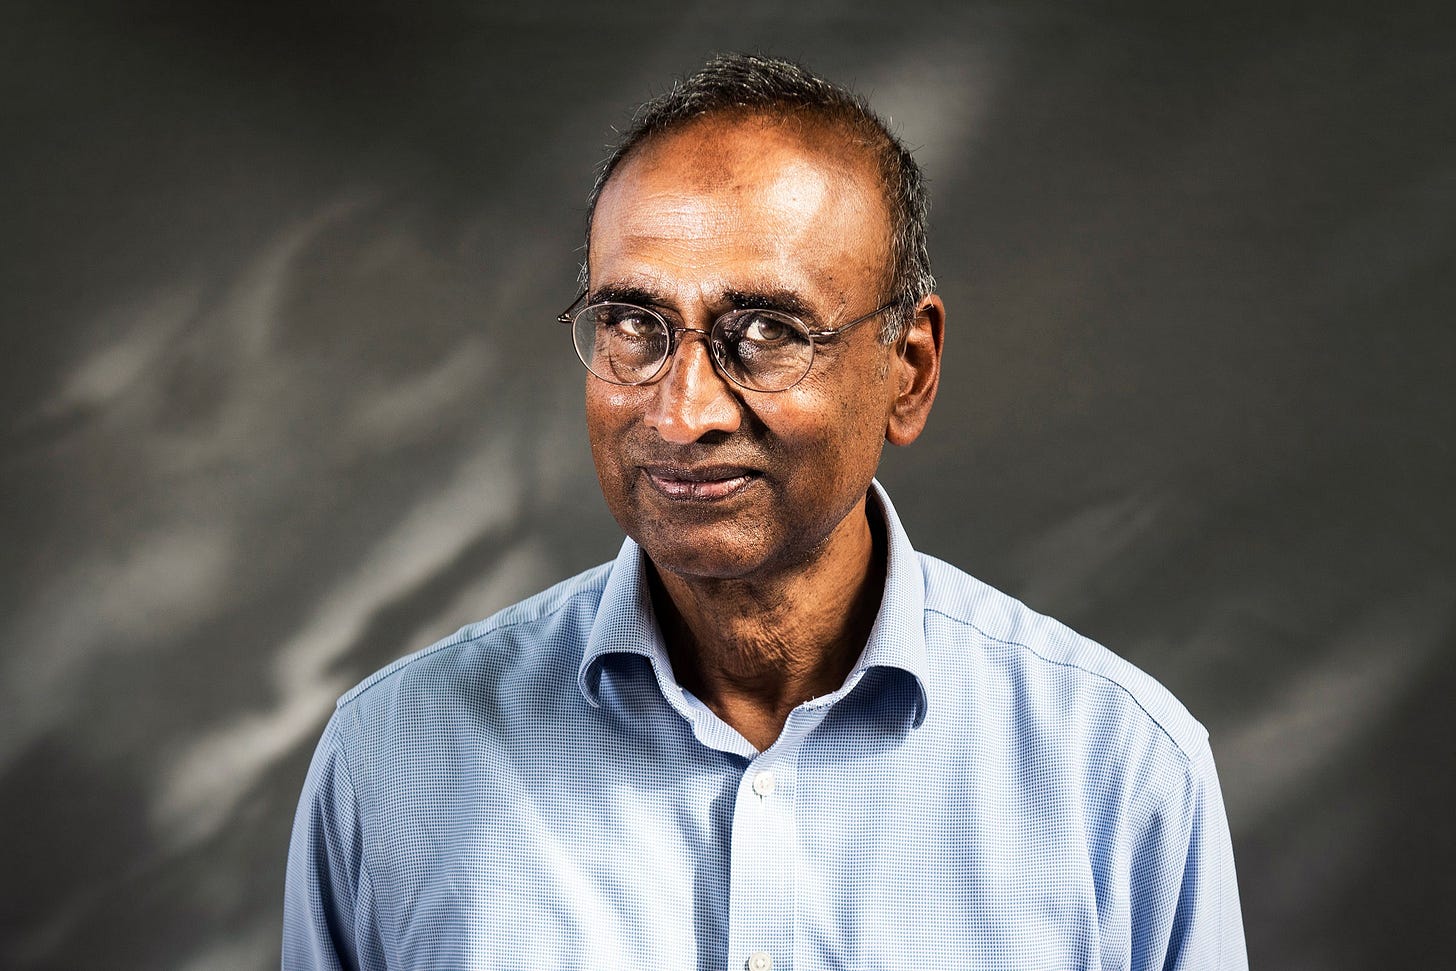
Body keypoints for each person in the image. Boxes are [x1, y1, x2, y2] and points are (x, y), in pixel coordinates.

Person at [283, 53, 1247, 970]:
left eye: (767, 332)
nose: (684, 409)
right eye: (632, 324)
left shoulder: (1114, 774)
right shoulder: (397, 759)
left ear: (907, 372)